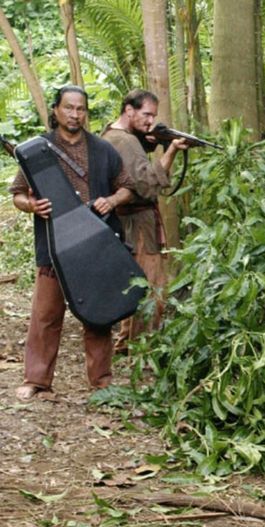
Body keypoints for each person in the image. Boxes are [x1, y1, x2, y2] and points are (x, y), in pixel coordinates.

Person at [9, 85, 133, 400]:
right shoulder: (38, 151)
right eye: (68, 107)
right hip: (54, 245)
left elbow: (127, 187)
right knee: (46, 314)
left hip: (96, 244)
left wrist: (111, 200)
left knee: (98, 311)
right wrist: (31, 206)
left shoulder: (103, 149)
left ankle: (102, 382)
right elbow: (18, 194)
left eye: (80, 109)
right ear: (56, 110)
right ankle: (36, 379)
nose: (75, 114)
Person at [101, 89, 188, 352]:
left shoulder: (112, 134)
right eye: (146, 114)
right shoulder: (125, 141)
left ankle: (127, 343)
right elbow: (148, 186)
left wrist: (153, 140)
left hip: (125, 221)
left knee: (135, 283)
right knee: (152, 287)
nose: (150, 121)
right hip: (138, 222)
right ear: (129, 110)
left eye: (153, 116)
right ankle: (144, 349)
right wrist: (172, 150)